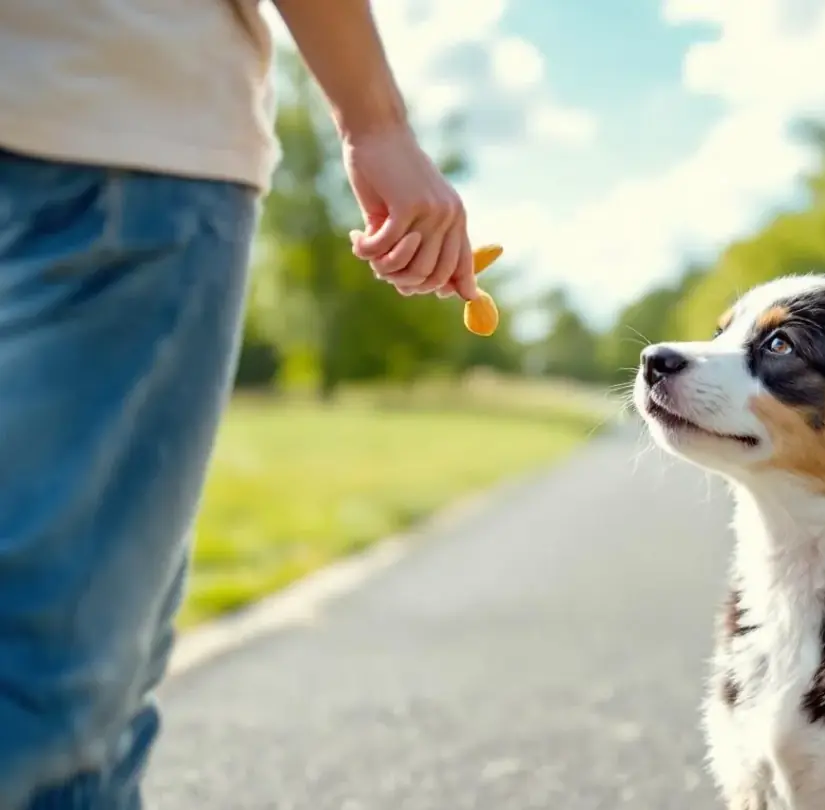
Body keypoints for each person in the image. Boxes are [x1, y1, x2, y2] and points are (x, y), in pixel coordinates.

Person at [0, 1, 477, 807]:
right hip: (119, 128)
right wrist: (376, 124)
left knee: (88, 686)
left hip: (98, 130)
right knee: (55, 683)